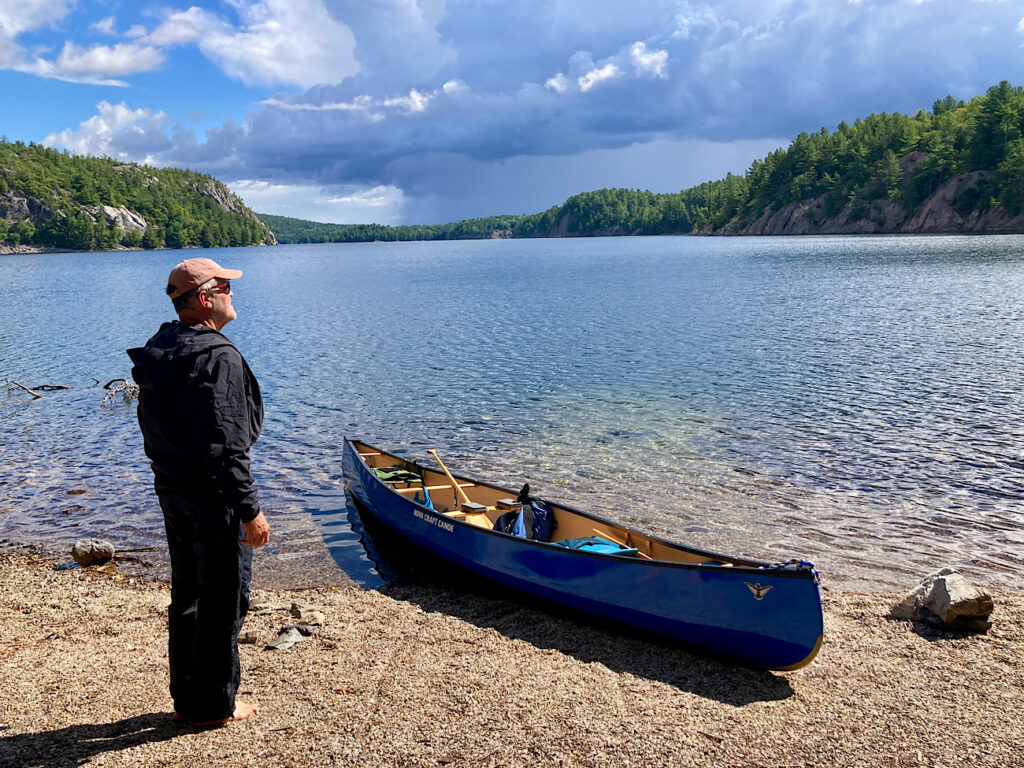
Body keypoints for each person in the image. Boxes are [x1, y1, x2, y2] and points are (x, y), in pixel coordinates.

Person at [127, 257, 270, 728]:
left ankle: (188, 698)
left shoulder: (162, 347)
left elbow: (155, 427)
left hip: (173, 490)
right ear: (206, 298)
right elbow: (227, 443)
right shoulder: (217, 356)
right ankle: (215, 705)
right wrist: (249, 509)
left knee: (188, 591)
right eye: (227, 286)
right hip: (214, 497)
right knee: (225, 596)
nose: (234, 292)